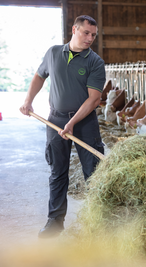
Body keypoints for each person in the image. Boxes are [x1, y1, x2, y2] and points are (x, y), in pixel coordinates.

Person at [19, 15, 106, 238]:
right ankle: (55, 221)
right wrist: (29, 100)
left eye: (93, 35)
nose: (90, 38)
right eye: (86, 33)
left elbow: (94, 99)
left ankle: (98, 223)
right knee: (58, 173)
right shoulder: (53, 53)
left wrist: (72, 122)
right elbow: (39, 76)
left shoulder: (94, 61)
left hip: (85, 124)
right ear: (74, 29)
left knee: (94, 174)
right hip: (55, 120)